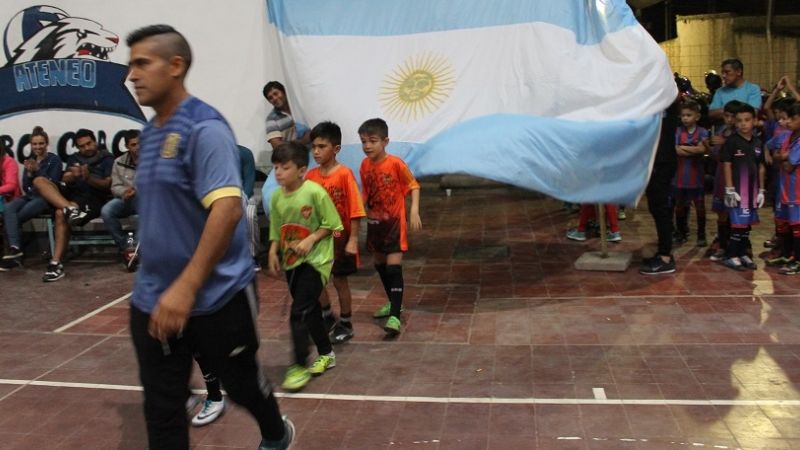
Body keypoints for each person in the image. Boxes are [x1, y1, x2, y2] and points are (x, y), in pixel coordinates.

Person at [126, 24, 292, 450]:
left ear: (175, 65)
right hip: (153, 300)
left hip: (217, 296)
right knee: (162, 409)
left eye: (142, 63)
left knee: (241, 386)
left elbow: (227, 208)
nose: (132, 75)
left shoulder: (205, 129)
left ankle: (275, 431)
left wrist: (186, 286)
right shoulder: (149, 135)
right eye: (131, 64)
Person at [268, 141, 341, 391]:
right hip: (291, 262)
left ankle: (299, 365)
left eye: (284, 167)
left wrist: (311, 239)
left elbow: (331, 224)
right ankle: (326, 353)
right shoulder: (277, 196)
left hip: (316, 261)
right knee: (309, 311)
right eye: (276, 167)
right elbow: (276, 228)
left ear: (301, 170)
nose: (278, 172)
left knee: (298, 312)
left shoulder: (314, 193)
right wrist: (272, 251)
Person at [359, 118, 422, 336]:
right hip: (376, 223)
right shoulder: (364, 165)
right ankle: (393, 301)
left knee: (394, 267)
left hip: (395, 223)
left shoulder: (396, 164)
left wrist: (413, 210)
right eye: (363, 141)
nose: (367, 146)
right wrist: (358, 210)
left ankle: (395, 314)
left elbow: (414, 186)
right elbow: (366, 192)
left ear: (385, 141)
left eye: (372, 141)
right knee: (379, 264)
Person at [305, 121, 366, 344]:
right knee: (316, 280)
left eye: (322, 146)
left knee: (340, 281)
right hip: (318, 240)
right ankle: (327, 315)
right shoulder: (310, 176)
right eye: (314, 147)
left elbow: (356, 210)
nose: (316, 151)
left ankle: (346, 322)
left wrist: (353, 240)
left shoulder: (344, 175)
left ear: (336, 148)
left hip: (340, 239)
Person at [33, 128, 114, 282]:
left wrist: (88, 177)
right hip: (72, 194)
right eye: (82, 146)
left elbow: (107, 185)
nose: (86, 148)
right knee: (39, 181)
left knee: (59, 214)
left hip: (93, 197)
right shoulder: (74, 158)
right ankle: (71, 209)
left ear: (95, 141)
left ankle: (55, 264)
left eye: (89, 143)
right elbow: (64, 180)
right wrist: (71, 176)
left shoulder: (106, 158)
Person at [1, 126, 62, 269]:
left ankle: (14, 253)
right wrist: (29, 174)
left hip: (45, 199)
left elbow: (53, 183)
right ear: (31, 145)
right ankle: (16, 248)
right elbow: (26, 186)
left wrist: (37, 171)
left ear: (47, 144)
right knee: (9, 208)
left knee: (15, 217)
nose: (38, 147)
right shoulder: (29, 160)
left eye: (41, 143)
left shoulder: (54, 160)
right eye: (34, 144)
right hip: (29, 196)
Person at [720, 103, 765, 271]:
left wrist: (761, 190)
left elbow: (760, 166)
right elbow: (726, 164)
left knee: (747, 226)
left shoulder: (758, 142)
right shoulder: (732, 141)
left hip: (752, 192)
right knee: (737, 225)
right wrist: (729, 189)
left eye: (747, 120)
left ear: (754, 121)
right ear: (735, 123)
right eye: (739, 121)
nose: (743, 124)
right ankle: (731, 255)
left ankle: (742, 253)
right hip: (738, 192)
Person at [640, 101, 680, 275]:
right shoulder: (652, 105)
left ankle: (665, 256)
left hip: (662, 161)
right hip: (655, 161)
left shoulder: (668, 102)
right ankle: (663, 251)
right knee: (656, 207)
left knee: (660, 207)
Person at [706, 101, 742, 261]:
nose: (728, 120)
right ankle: (722, 245)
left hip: (735, 179)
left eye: (732, 117)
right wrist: (708, 148)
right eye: (726, 116)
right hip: (721, 177)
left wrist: (725, 143)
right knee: (721, 214)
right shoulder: (722, 131)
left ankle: (738, 248)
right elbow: (717, 156)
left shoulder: (742, 133)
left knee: (735, 214)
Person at [672, 100, 709, 246]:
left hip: (696, 176)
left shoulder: (702, 132)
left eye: (689, 115)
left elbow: (703, 150)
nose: (685, 118)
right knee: (679, 206)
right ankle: (681, 232)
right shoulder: (678, 131)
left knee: (699, 206)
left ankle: (701, 234)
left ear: (697, 116)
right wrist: (693, 149)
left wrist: (683, 148)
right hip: (679, 177)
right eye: (683, 115)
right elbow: (675, 149)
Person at [101, 129, 140, 267]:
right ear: (127, 146)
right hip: (126, 199)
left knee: (144, 215)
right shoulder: (119, 162)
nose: (138, 147)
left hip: (147, 201)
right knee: (107, 211)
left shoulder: (153, 161)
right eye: (134, 144)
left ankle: (136, 250)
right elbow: (114, 186)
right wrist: (124, 192)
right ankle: (126, 247)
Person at [770, 103, 800, 275]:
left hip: (797, 190)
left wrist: (782, 157)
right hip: (785, 188)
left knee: (797, 225)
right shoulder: (789, 137)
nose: (788, 122)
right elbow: (777, 155)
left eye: (793, 118)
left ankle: (797, 260)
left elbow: (789, 165)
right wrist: (783, 157)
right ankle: (787, 254)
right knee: (786, 224)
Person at [263, 81, 310, 148]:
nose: (275, 98)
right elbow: (276, 145)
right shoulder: (271, 119)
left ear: (284, 92)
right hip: (292, 155)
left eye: (276, 94)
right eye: (270, 98)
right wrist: (302, 142)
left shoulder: (299, 106)